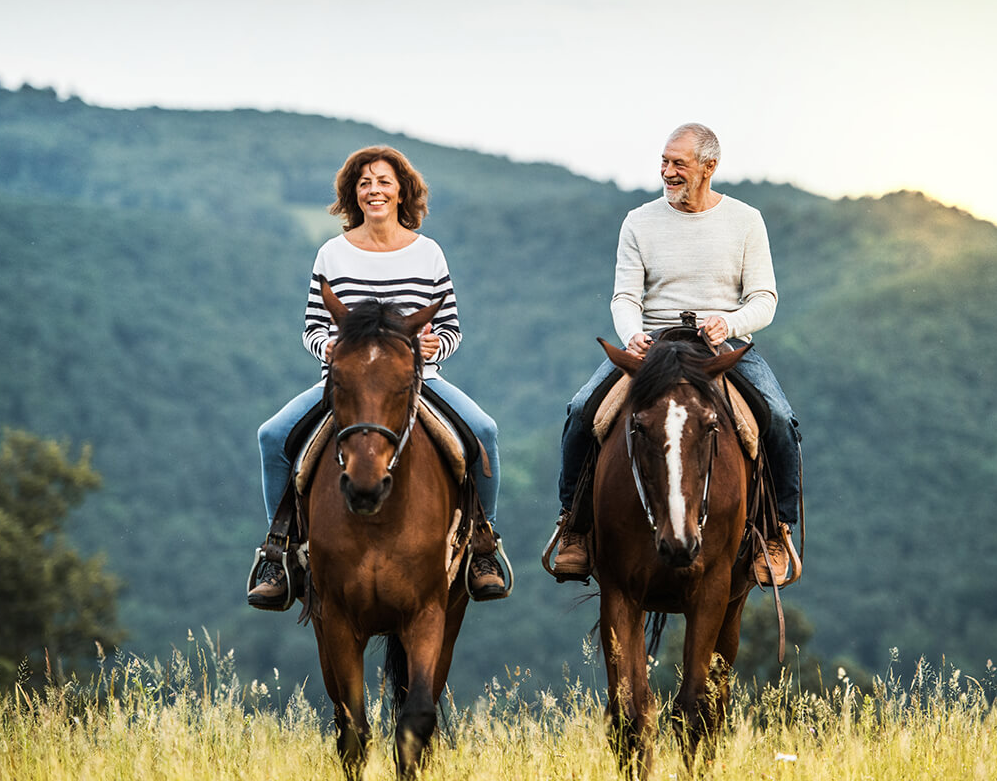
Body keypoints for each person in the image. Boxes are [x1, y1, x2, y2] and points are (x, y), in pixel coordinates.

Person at [249, 145, 504, 606]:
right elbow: (312, 327)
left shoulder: (428, 254)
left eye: (384, 181)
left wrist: (433, 347)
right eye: (364, 183)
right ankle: (279, 549)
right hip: (346, 380)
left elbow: (451, 329)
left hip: (417, 381)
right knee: (272, 435)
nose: (374, 190)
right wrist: (327, 347)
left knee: (483, 431)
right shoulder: (332, 253)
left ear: (402, 191)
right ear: (353, 194)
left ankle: (482, 545)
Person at [552, 123, 802, 586]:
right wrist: (631, 335)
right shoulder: (639, 221)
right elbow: (625, 297)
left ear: (709, 167)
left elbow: (764, 298)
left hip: (718, 345)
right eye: (664, 162)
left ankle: (775, 532)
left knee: (780, 418)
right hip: (653, 345)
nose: (667, 172)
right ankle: (574, 527)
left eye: (678, 164)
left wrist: (730, 323)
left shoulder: (746, 220)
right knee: (583, 409)